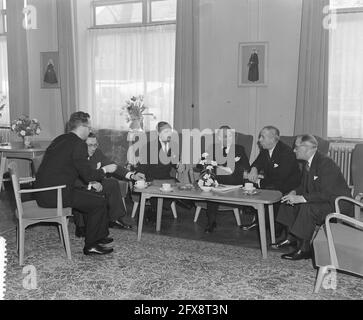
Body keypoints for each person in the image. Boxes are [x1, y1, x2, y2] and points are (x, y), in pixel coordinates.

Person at [34, 112, 117, 255]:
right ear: (82, 127)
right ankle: (91, 245)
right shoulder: (78, 144)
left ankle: (99, 237)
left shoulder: (61, 139)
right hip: (56, 195)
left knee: (96, 198)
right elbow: (88, 175)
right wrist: (105, 169)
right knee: (98, 203)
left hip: (46, 191)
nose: (90, 131)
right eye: (89, 127)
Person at [273, 134, 352, 261]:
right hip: (322, 199)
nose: (294, 150)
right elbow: (303, 186)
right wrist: (293, 192)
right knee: (287, 200)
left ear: (307, 148)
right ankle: (290, 238)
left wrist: (302, 198)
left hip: (336, 203)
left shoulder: (326, 163)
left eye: (296, 147)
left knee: (307, 207)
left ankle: (305, 249)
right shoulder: (308, 163)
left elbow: (327, 193)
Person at [73, 132, 145, 238]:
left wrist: (132, 176)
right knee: (82, 193)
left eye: (95, 144)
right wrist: (91, 183)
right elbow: (73, 178)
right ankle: (81, 226)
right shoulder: (76, 155)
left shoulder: (97, 153)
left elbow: (112, 165)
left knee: (112, 183)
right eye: (89, 145)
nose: (93, 148)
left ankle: (115, 218)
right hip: (79, 187)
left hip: (94, 184)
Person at [243, 126, 301, 235]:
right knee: (247, 183)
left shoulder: (286, 153)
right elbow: (257, 162)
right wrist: (254, 169)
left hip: (286, 185)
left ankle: (271, 224)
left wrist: (259, 182)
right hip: (272, 182)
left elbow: (280, 179)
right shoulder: (266, 150)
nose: (259, 139)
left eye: (262, 137)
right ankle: (259, 221)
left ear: (273, 139)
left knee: (266, 188)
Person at [203, 126, 250, 233]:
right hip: (217, 181)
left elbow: (247, 167)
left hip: (233, 181)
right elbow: (201, 164)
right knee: (211, 187)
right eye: (225, 136)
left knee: (212, 185)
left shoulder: (239, 149)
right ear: (219, 138)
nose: (228, 138)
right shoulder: (212, 148)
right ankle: (211, 222)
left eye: (230, 136)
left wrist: (222, 166)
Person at [135, 121, 181, 220]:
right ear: (158, 133)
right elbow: (143, 164)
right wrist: (140, 173)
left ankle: (155, 209)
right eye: (166, 131)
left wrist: (178, 165)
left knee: (178, 187)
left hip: (166, 177)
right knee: (158, 187)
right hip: (152, 177)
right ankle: (155, 210)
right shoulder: (150, 146)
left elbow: (175, 161)